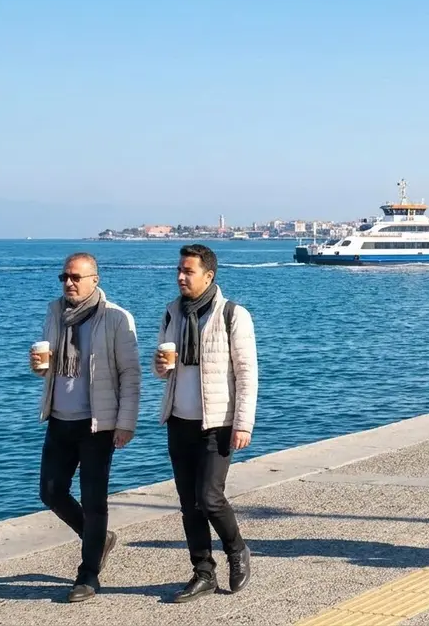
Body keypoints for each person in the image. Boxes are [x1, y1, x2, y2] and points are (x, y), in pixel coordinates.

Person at [31, 253, 140, 603]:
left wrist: (125, 424)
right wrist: (38, 368)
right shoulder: (54, 312)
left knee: (94, 500)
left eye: (77, 277)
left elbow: (130, 374)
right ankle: (99, 538)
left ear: (95, 279)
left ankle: (88, 574)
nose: (69, 283)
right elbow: (50, 367)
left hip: (97, 423)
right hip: (59, 419)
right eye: (64, 277)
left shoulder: (115, 318)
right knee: (51, 491)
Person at [155, 244, 259, 603]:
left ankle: (237, 550)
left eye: (189, 271)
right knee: (188, 503)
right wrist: (160, 367)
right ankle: (203, 572)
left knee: (209, 496)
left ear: (209, 275)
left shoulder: (232, 315)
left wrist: (243, 424)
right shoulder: (172, 314)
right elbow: (163, 369)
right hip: (179, 419)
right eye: (179, 271)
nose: (181, 277)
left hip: (218, 421)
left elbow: (247, 374)